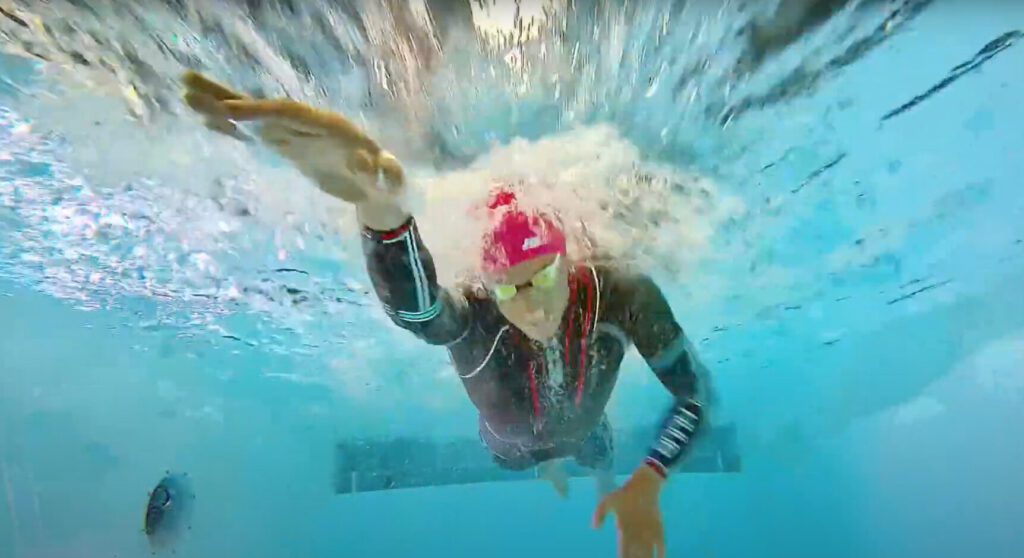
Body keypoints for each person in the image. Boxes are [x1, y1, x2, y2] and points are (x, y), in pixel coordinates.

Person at [182, 70, 713, 558]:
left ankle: (599, 486)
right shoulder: (478, 315)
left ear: (568, 259)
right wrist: (383, 214)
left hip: (586, 431)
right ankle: (554, 467)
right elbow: (422, 313)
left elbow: (696, 395)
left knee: (595, 453)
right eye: (506, 289)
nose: (527, 303)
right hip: (506, 447)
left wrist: (648, 481)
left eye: (543, 278)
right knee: (524, 458)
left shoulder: (621, 294)